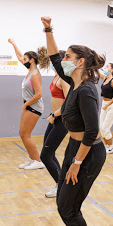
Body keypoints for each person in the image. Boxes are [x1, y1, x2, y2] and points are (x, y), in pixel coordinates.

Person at [41, 17, 106, 226]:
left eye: (68, 56)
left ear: (80, 62)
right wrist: (48, 29)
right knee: (63, 203)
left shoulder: (86, 90)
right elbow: (54, 57)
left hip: (88, 153)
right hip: (75, 147)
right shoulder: (73, 79)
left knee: (69, 209)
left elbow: (92, 132)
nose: (63, 60)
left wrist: (77, 163)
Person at [8, 38, 47, 170]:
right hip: (29, 105)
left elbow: (39, 94)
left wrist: (25, 105)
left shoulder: (35, 75)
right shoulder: (30, 71)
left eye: (25, 59)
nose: (22, 61)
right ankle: (31, 158)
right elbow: (19, 56)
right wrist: (14, 44)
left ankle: (37, 160)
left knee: (26, 134)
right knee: (22, 133)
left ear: (31, 60)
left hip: (34, 106)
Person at [40, 50, 70, 198]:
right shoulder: (56, 75)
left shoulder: (64, 79)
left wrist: (54, 114)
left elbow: (69, 103)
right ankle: (60, 184)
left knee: (45, 156)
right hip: (54, 120)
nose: (52, 63)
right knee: (48, 153)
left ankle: (60, 186)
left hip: (61, 120)